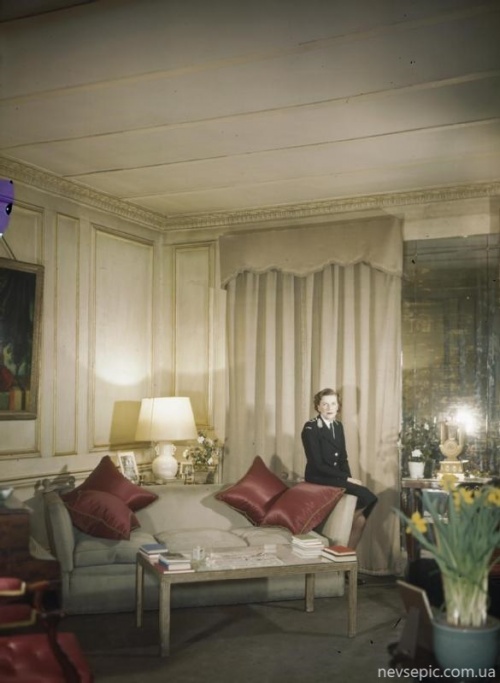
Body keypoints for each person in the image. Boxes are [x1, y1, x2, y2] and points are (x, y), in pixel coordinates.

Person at [301, 387, 377, 548]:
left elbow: (343, 458)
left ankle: (349, 554)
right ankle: (342, 531)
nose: (329, 408)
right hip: (318, 476)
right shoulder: (310, 427)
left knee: (361, 520)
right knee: (368, 496)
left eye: (333, 404)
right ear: (318, 407)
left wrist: (349, 479)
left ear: (338, 406)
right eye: (325, 404)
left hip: (335, 476)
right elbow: (317, 464)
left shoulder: (338, 426)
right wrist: (346, 479)